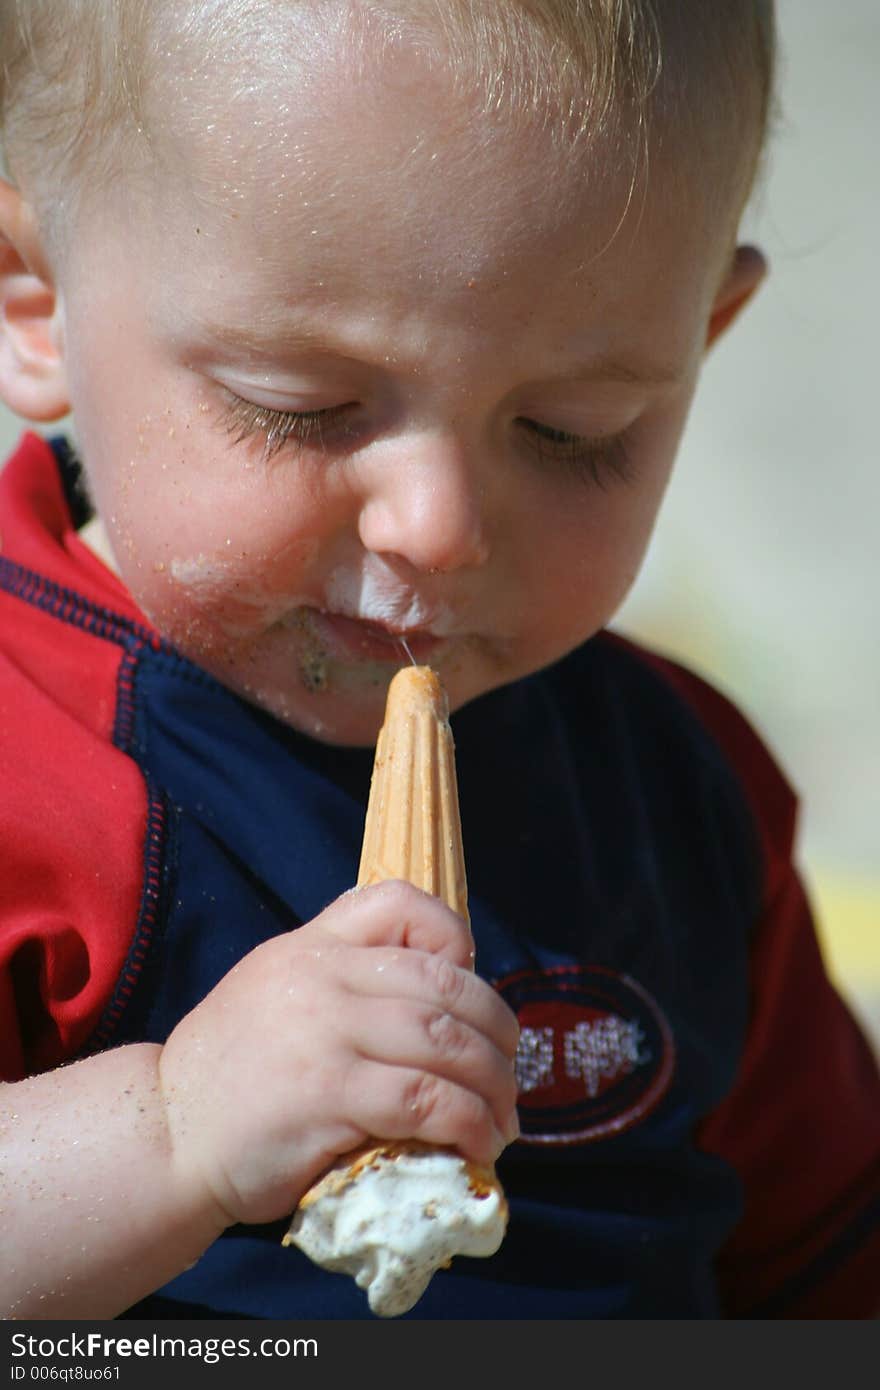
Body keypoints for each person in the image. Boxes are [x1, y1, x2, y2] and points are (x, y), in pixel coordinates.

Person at [0, 0, 876, 1321]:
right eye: (307, 405)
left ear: (700, 340)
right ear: (37, 300)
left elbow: (826, 1251)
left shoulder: (680, 788)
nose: (441, 528)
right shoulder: (29, 769)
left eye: (571, 430)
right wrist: (173, 1131)